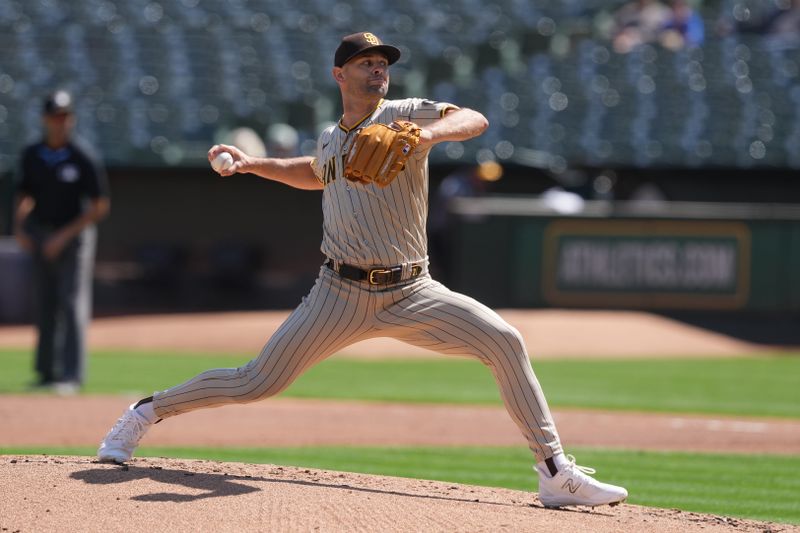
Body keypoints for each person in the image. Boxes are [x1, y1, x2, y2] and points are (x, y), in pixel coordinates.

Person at [97, 32, 627, 508]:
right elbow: (313, 172)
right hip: (339, 293)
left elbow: (473, 118)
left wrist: (425, 137)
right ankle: (147, 411)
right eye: (365, 63)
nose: (378, 70)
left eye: (382, 63)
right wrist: (253, 164)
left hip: (413, 290)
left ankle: (555, 472)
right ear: (339, 75)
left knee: (505, 341)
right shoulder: (331, 136)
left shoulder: (407, 114)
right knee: (256, 380)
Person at [14, 89, 111, 393]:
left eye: (66, 116)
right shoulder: (33, 154)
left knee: (71, 303)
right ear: (45, 119)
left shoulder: (82, 156)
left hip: (75, 236)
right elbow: (24, 194)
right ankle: (45, 373)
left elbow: (99, 205)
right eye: (56, 116)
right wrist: (19, 227)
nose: (61, 122)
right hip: (42, 233)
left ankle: (71, 375)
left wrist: (63, 236)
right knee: (44, 302)